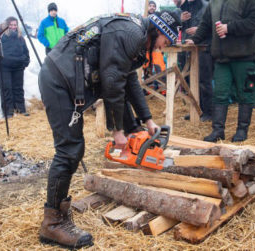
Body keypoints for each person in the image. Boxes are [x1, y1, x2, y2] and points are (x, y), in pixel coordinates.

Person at [38, 11, 180, 249]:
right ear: (159, 30)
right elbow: (112, 81)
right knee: (70, 150)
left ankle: (58, 216)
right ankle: (52, 224)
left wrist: (146, 121)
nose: (164, 47)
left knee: (76, 149)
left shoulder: (135, 33)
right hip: (59, 79)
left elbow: (128, 80)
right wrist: (117, 130)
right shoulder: (132, 34)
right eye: (166, 41)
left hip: (69, 77)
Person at [187, 0, 255, 142]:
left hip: (245, 57)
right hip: (222, 59)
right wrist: (194, 39)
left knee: (245, 94)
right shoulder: (214, 2)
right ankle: (218, 131)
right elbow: (205, 24)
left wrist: (229, 28)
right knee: (219, 94)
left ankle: (242, 130)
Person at [179, 0, 214, 122]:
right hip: (189, 49)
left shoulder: (206, 5)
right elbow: (181, 29)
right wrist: (180, 20)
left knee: (203, 81)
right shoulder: (185, 7)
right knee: (189, 81)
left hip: (204, 47)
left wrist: (198, 29)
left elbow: (214, 26)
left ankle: (209, 112)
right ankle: (196, 110)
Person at [0, 17, 30, 118]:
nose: (13, 27)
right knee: (7, 89)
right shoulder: (2, 36)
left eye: (15, 25)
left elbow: (25, 50)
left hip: (18, 66)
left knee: (18, 88)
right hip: (5, 66)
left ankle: (21, 109)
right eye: (11, 25)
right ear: (7, 25)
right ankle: (8, 112)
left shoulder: (20, 37)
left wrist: (25, 61)